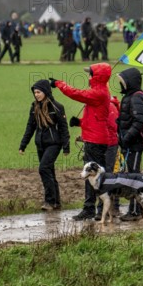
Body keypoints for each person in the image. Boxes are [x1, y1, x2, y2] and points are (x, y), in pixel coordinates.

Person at [50, 63, 111, 220]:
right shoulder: (100, 92)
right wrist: (80, 122)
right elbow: (95, 119)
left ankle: (96, 209)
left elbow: (76, 94)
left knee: (95, 177)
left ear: (96, 77)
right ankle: (93, 209)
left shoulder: (98, 93)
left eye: (90, 74)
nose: (88, 76)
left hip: (95, 141)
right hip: (94, 138)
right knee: (93, 177)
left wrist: (59, 83)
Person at [19, 80, 70, 211]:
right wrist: (23, 144)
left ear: (46, 92)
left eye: (39, 92)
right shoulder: (34, 107)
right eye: (35, 92)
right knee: (50, 172)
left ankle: (49, 201)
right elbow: (30, 127)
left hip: (54, 143)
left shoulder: (57, 107)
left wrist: (66, 146)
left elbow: (64, 128)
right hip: (40, 143)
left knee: (43, 169)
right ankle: (57, 202)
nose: (36, 95)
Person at [116, 67, 143, 221]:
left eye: (123, 82)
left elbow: (138, 122)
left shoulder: (136, 98)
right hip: (127, 143)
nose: (121, 85)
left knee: (134, 177)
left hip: (134, 145)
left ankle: (136, 211)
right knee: (130, 176)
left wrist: (126, 139)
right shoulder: (128, 97)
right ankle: (136, 209)